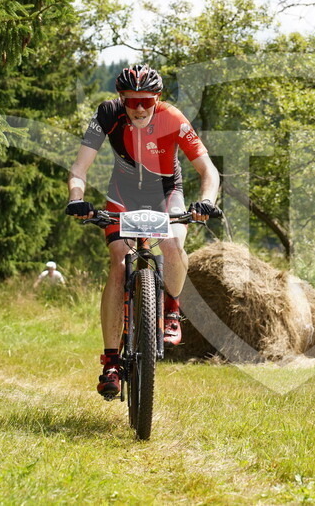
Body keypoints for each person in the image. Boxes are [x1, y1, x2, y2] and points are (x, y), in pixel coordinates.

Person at [66, 64, 221, 399]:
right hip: (122, 197)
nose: (138, 108)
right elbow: (80, 167)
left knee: (172, 246)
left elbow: (208, 170)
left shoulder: (174, 118)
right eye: (131, 101)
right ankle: (110, 362)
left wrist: (206, 202)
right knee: (119, 263)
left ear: (157, 99)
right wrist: (77, 199)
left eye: (146, 101)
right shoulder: (108, 114)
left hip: (167, 194)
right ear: (121, 98)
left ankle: (172, 309)